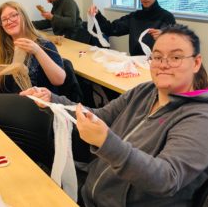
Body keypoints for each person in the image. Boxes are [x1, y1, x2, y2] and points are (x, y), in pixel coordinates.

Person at [21, 24, 208, 207]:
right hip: (92, 191)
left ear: (196, 63)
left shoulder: (199, 119)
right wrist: (53, 100)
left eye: (175, 57)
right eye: (157, 57)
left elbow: (166, 179)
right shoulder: (144, 91)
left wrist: (106, 142)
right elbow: (100, 115)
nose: (163, 65)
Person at [0, 1, 66, 95]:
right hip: (9, 105)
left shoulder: (44, 45)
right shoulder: (1, 52)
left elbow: (59, 80)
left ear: (23, 16)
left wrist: (37, 51)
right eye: (4, 19)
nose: (9, 21)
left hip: (39, 105)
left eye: (13, 15)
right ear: (1, 25)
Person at [88, 0, 176, 56]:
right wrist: (97, 14)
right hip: (135, 63)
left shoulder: (167, 17)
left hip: (158, 65)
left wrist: (164, 37)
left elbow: (176, 45)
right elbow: (111, 29)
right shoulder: (134, 17)